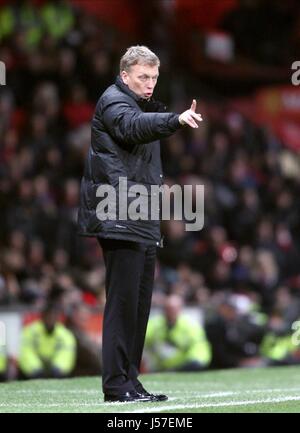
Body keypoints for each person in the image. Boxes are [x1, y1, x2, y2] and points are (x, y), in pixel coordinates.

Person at [77, 45, 203, 403]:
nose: (150, 85)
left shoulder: (137, 103)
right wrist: (173, 120)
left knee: (139, 304)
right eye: (143, 77)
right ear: (125, 75)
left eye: (154, 78)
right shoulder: (114, 102)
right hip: (119, 214)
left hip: (139, 216)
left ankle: (130, 380)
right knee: (122, 303)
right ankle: (116, 384)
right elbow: (132, 129)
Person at [145, 295, 211, 372]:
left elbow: (199, 347)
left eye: (173, 309)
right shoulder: (154, 324)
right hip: (161, 366)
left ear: (180, 309)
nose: (170, 312)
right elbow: (142, 340)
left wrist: (195, 362)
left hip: (184, 366)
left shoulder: (190, 326)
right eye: (168, 308)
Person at [18, 302, 76, 379]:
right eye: (48, 316)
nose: (50, 319)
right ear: (43, 316)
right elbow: (25, 351)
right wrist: (34, 369)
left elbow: (66, 355)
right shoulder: (30, 332)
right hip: (33, 374)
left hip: (56, 373)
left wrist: (58, 369)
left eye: (54, 316)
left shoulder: (65, 335)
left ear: (58, 318)